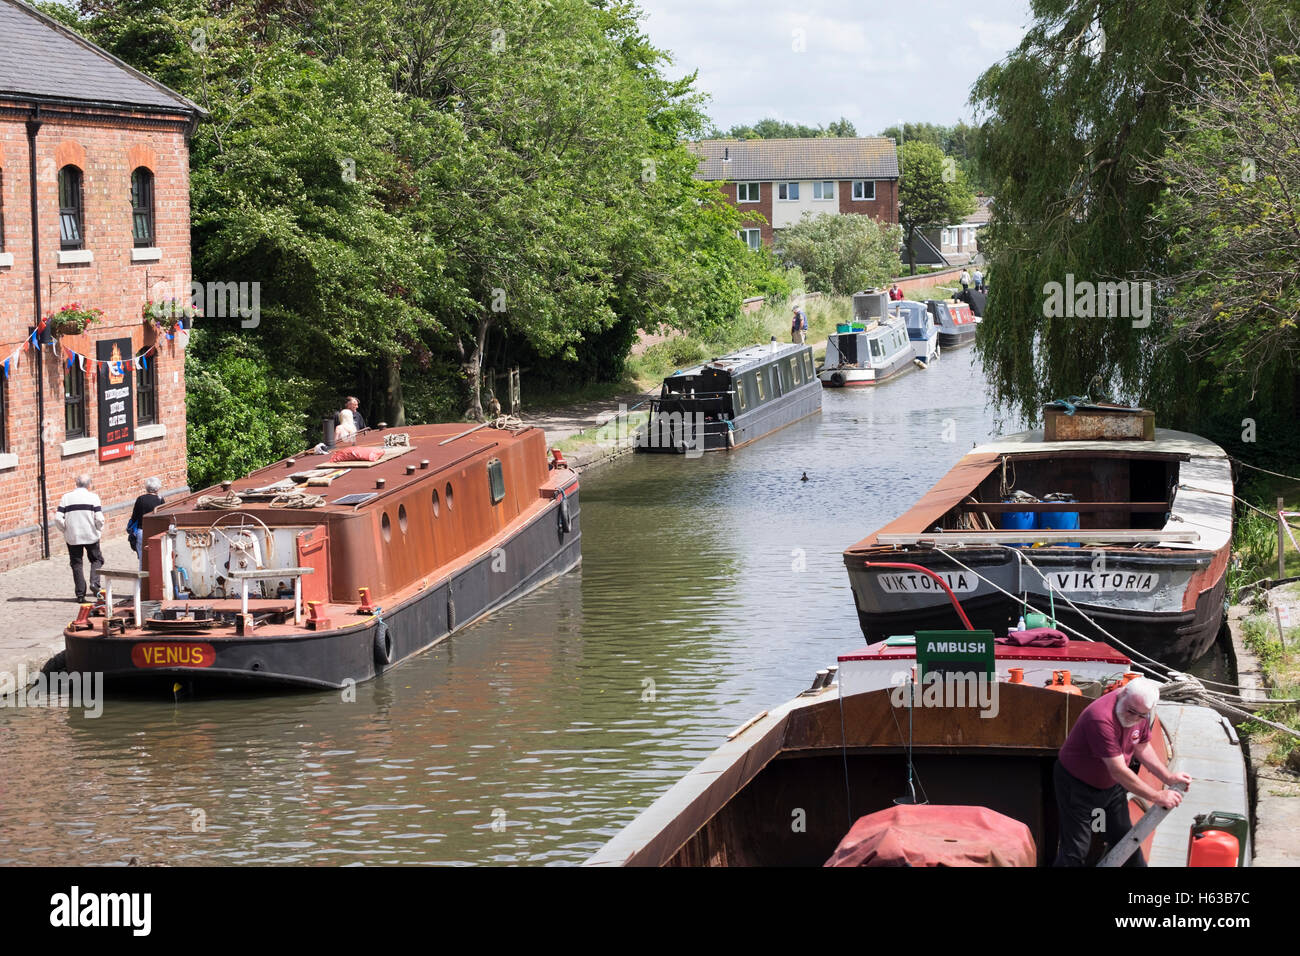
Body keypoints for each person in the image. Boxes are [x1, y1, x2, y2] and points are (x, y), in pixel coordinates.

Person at [1053, 677, 1190, 866]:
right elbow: (1118, 770)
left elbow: (1142, 746)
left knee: (1126, 838)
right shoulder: (1100, 718)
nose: (1134, 718)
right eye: (1131, 711)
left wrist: (1168, 777)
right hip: (1077, 785)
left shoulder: (1141, 712)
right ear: (1122, 693)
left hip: (1110, 786)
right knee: (1076, 850)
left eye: (1141, 715)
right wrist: (1156, 795)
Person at [55, 473, 105, 603]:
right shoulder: (93, 497)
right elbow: (99, 518)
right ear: (89, 484)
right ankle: (95, 583)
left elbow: (58, 518)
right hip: (90, 535)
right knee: (96, 559)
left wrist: (65, 529)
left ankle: (80, 594)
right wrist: (99, 529)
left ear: (76, 484)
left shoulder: (66, 498)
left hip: (73, 536)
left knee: (76, 563)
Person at [127, 477, 165, 566]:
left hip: (141, 531)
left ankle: (142, 580)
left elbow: (134, 516)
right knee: (157, 557)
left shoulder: (140, 499)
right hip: (156, 532)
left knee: (142, 560)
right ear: (158, 488)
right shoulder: (160, 500)